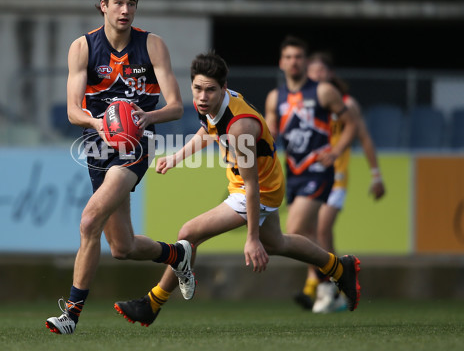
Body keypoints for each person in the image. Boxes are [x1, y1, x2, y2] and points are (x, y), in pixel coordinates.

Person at [113, 51, 361, 327]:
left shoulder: (240, 127)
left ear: (224, 88)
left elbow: (252, 186)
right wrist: (176, 157)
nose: (202, 96)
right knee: (278, 243)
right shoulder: (208, 104)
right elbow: (207, 130)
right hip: (255, 184)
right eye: (197, 88)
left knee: (188, 234)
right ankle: (339, 267)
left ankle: (153, 302)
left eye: (210, 90)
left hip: (258, 190)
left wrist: (251, 237)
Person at [45, 0, 192, 335]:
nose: (126, 10)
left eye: (132, 3)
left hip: (137, 144)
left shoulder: (152, 44)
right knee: (122, 246)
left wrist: (147, 115)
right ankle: (178, 254)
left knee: (89, 220)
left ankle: (71, 316)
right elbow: (72, 110)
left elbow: (176, 105)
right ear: (102, 6)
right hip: (99, 145)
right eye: (118, 3)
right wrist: (96, 123)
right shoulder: (82, 47)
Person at [263, 36, 359, 312]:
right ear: (281, 62)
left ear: (305, 62)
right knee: (305, 233)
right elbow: (271, 135)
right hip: (293, 173)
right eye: (289, 57)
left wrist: (336, 150)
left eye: (298, 57)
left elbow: (351, 124)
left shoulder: (324, 91)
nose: (294, 62)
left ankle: (333, 278)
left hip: (318, 171)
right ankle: (332, 282)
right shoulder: (275, 97)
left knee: (293, 231)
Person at [305, 51, 385, 313]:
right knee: (308, 232)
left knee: (323, 230)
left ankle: (330, 286)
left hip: (336, 177)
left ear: (331, 74)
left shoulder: (347, 104)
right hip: (310, 177)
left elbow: (364, 139)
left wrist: (376, 175)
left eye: (321, 71)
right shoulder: (304, 104)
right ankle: (329, 284)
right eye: (312, 71)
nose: (317, 75)